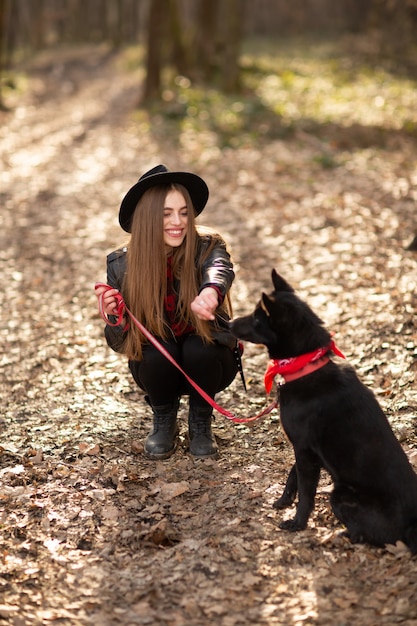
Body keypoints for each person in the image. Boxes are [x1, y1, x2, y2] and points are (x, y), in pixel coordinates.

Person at [95, 164, 239, 460]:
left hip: (210, 364)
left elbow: (220, 267)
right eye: (166, 214)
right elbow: (121, 345)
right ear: (148, 219)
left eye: (184, 212)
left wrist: (211, 291)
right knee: (155, 350)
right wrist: (117, 320)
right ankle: (164, 419)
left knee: (201, 348)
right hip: (157, 369)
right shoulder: (121, 265)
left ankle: (200, 421)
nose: (178, 222)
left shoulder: (207, 245)